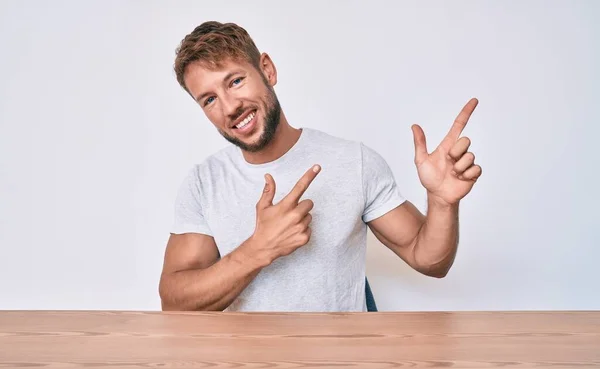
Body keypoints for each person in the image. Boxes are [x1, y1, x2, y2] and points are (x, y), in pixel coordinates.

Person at [158, 21, 482, 312]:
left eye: (236, 81)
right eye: (209, 99)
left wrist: (442, 202)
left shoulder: (354, 161)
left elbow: (428, 259)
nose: (229, 107)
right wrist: (258, 250)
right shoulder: (204, 183)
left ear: (267, 70)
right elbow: (174, 301)